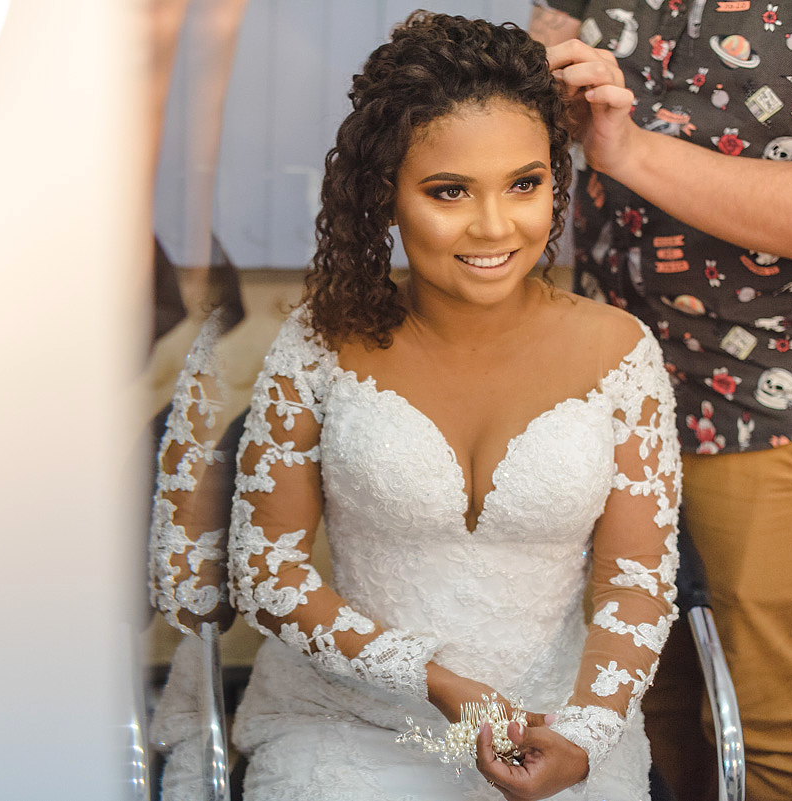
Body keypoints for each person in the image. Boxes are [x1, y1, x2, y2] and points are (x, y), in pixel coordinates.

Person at [227, 13, 681, 800]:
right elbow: (268, 571)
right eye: (449, 191)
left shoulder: (621, 352)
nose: (496, 225)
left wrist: (586, 732)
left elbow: (637, 579)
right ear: (385, 196)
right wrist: (432, 681)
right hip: (354, 720)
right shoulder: (316, 344)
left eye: (525, 184)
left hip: (561, 718)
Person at [528, 2, 792, 799]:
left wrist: (627, 147)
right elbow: (531, 71)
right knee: (646, 693)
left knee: (762, 724)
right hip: (607, 379)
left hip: (772, 400)